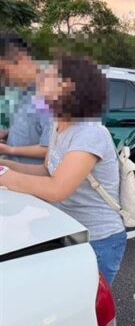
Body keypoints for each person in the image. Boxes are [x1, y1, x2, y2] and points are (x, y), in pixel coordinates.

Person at [0, 56, 126, 285]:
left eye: (48, 77)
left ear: (69, 86)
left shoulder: (90, 132)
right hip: (70, 231)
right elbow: (48, 172)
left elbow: (57, 189)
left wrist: (5, 176)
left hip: (98, 239)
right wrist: (5, 165)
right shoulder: (59, 125)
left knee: (86, 310)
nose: (40, 81)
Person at [0, 34, 53, 164]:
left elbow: (53, 150)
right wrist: (8, 135)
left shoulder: (50, 95)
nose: (2, 79)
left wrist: (9, 150)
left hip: (34, 180)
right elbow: (34, 129)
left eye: (2, 71)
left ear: (21, 58)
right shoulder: (25, 93)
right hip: (15, 177)